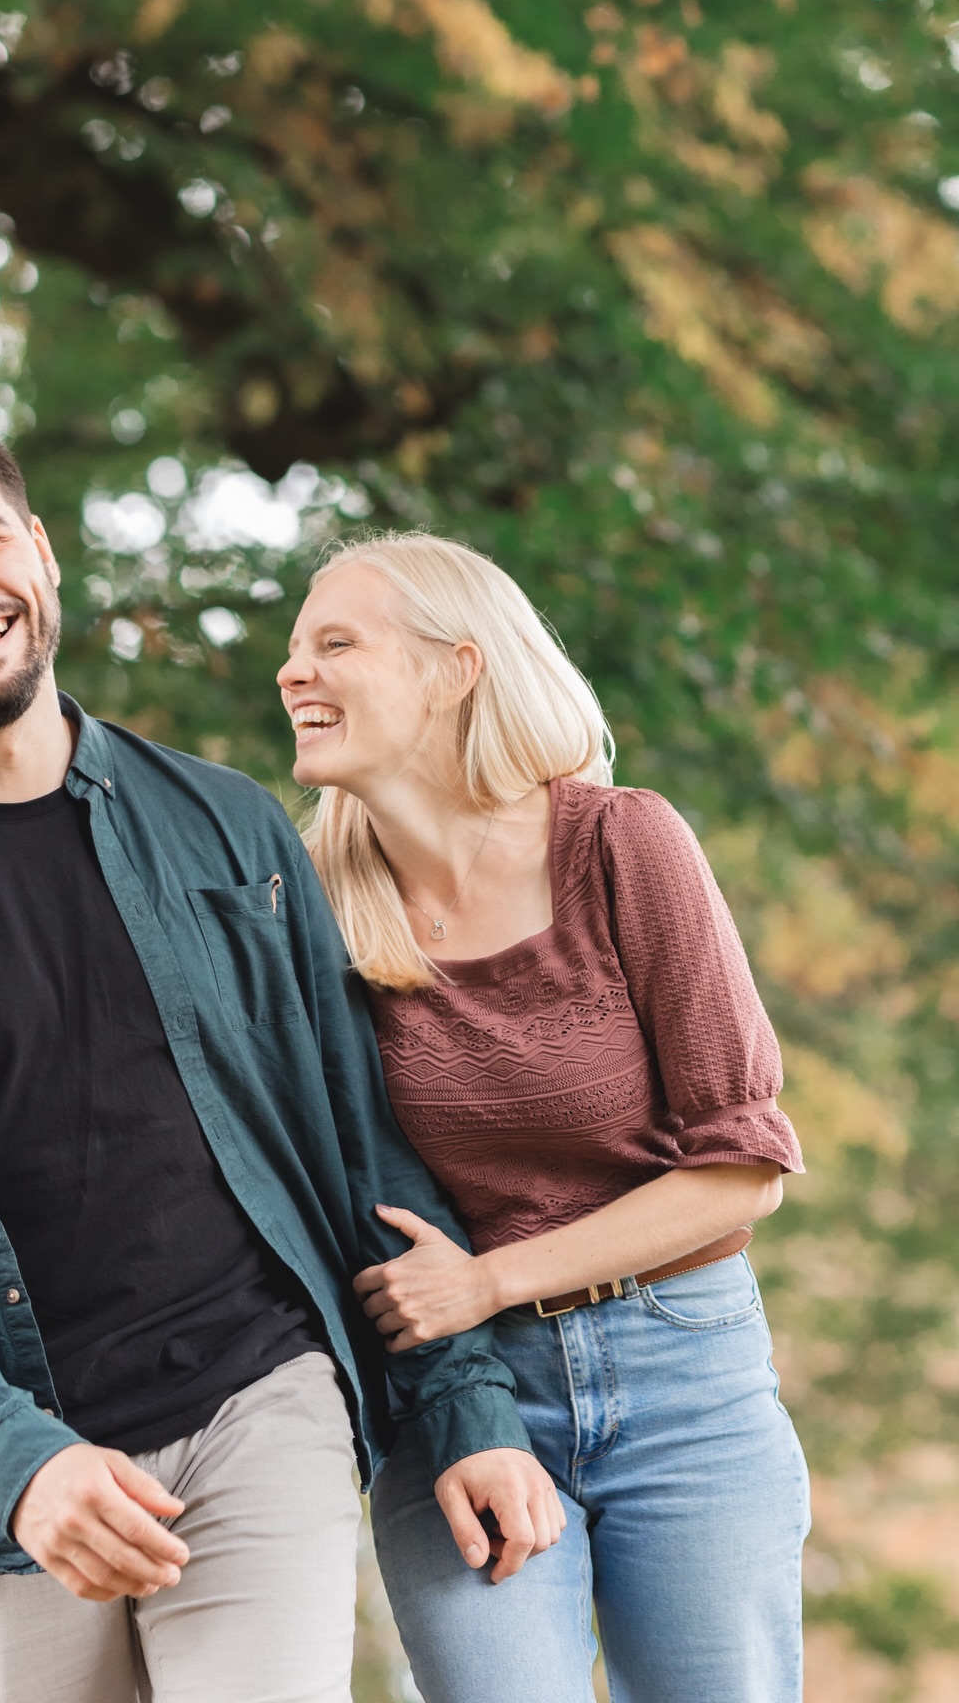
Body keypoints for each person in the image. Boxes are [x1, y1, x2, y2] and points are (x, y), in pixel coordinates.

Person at [0, 408, 563, 1703]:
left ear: (43, 557)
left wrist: (463, 1407)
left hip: (255, 1402)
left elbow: (360, 1135)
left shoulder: (230, 828)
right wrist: (19, 1465)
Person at [277, 532, 809, 1703]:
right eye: (293, 648)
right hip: (464, 1395)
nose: (292, 672)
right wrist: (464, 1333)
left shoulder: (625, 844)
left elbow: (745, 1167)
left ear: (455, 669)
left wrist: (489, 1279)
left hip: (686, 1373)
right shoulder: (315, 907)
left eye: (335, 643)